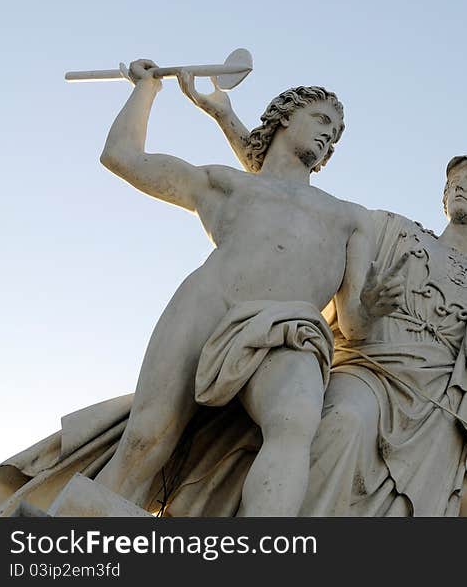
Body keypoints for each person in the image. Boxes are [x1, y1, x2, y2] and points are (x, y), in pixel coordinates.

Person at [179, 76, 467, 515]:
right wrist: (225, 116)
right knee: (344, 422)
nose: (458, 185)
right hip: (367, 376)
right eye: (455, 179)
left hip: (437, 429)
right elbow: (287, 193)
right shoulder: (391, 231)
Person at [91, 60, 398, 516]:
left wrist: (369, 310)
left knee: (295, 421)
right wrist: (146, 88)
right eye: (321, 120)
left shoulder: (351, 218)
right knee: (146, 438)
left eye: (335, 135)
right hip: (209, 304)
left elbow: (351, 323)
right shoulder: (227, 184)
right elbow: (122, 157)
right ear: (284, 117)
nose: (328, 136)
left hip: (288, 329)